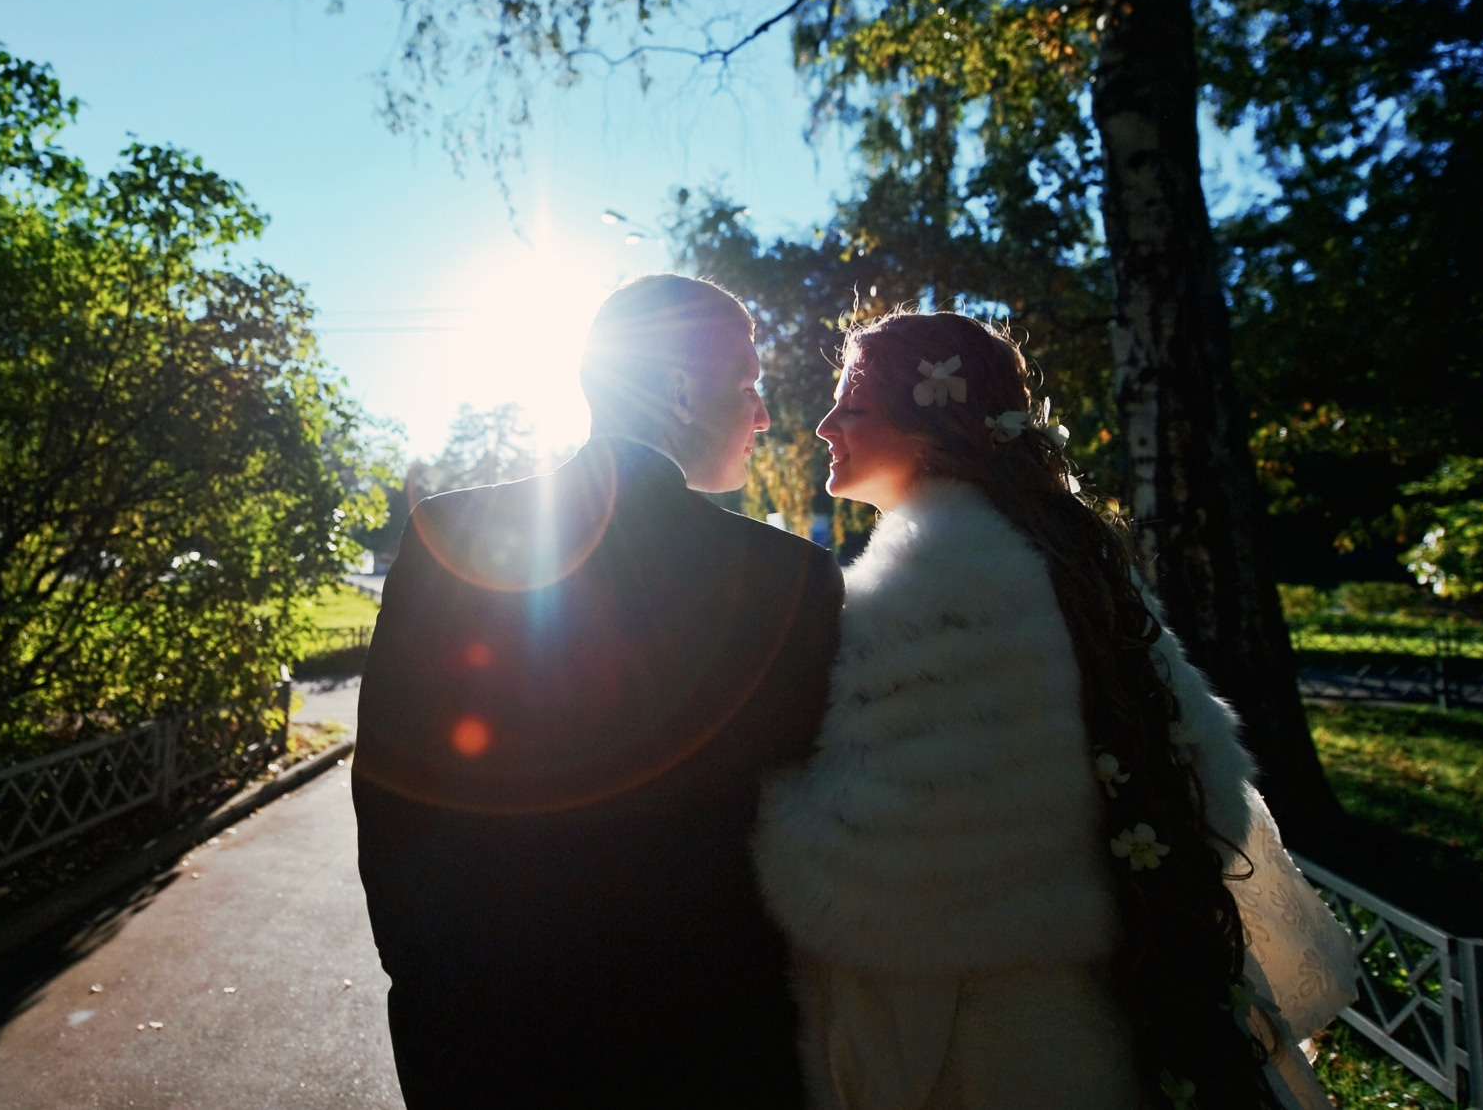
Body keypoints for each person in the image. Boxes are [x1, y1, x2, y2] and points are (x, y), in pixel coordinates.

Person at [752, 310, 1356, 1110]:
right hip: (1107, 1012)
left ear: (934, 425)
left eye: (851, 405)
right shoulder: (1064, 553)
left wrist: (756, 809)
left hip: (983, 1038)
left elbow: (876, 866)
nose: (825, 424)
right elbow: (1205, 778)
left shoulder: (931, 579)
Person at [354, 274, 844, 1109]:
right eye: (749, 384)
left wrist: (433, 995)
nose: (764, 414)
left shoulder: (450, 533)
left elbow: (392, 804)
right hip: (714, 1053)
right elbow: (817, 821)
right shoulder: (786, 579)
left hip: (483, 1043)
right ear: (682, 389)